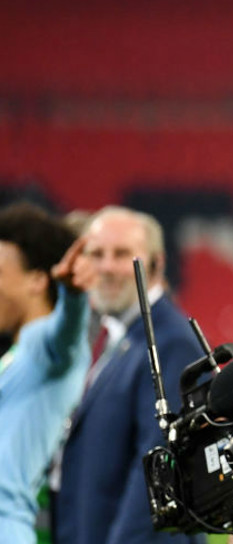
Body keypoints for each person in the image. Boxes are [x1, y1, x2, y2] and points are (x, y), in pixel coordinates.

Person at [53, 206, 206, 544]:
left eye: (122, 254)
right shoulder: (121, 337)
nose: (106, 267)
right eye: (96, 254)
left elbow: (158, 477)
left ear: (157, 264)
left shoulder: (169, 343)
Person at [0, 204, 93, 543]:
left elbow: (66, 334)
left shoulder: (45, 348)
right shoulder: (16, 355)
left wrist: (73, 296)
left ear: (38, 280)